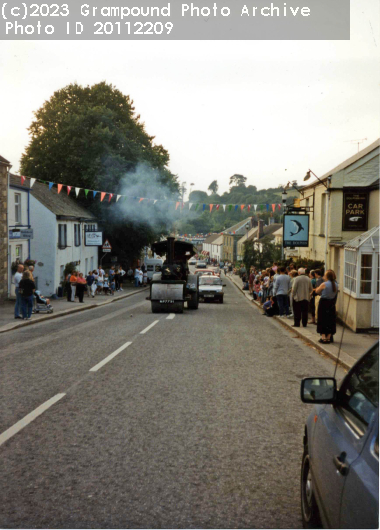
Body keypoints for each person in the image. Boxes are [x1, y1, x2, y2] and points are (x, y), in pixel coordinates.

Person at [316, 270, 338, 344]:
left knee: (322, 319)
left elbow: (317, 291)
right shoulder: (336, 284)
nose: (323, 277)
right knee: (330, 320)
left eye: (325, 275)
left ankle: (323, 337)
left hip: (323, 303)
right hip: (331, 303)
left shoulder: (324, 284)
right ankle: (328, 337)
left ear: (327, 276)